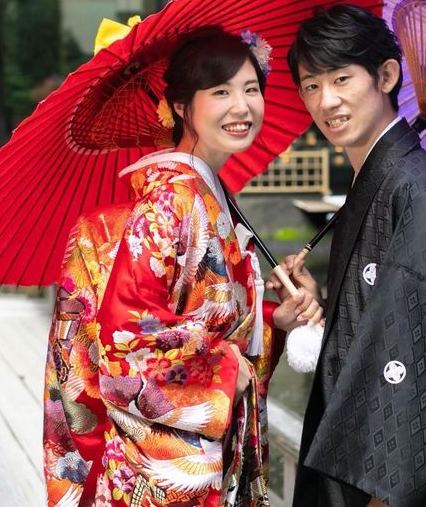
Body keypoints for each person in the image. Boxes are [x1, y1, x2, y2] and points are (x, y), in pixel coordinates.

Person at [43, 29, 323, 506]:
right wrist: (224, 371)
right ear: (180, 106)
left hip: (200, 458)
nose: (242, 107)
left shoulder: (207, 193)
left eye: (251, 89)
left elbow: (210, 318)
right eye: (221, 92)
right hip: (164, 470)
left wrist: (270, 321)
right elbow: (127, 339)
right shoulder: (172, 201)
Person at [273, 4, 426, 507]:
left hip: (379, 478)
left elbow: (410, 348)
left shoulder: (412, 185)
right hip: (350, 452)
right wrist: (325, 306)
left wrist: (386, 495)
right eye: (311, 85)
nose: (327, 100)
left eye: (341, 78)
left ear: (387, 75)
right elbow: (377, 312)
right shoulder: (376, 179)